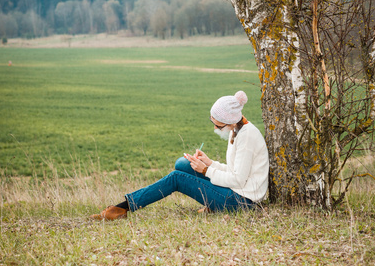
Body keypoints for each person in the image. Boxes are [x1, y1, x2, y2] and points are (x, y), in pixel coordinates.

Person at [90, 90, 269, 220]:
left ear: (230, 121)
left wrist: (206, 170)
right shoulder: (236, 129)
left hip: (242, 201)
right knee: (183, 164)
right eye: (212, 122)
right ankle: (213, 204)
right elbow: (234, 171)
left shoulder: (246, 138)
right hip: (236, 191)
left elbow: (238, 180)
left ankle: (122, 208)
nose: (215, 128)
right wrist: (210, 163)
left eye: (218, 125)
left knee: (176, 178)